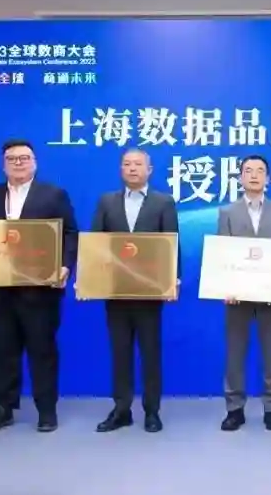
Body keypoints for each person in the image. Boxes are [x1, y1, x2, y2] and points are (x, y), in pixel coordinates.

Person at [0, 139, 78, 433]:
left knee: (42, 351)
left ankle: (46, 411)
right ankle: (3, 409)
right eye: (12, 159)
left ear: (35, 162)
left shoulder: (53, 195)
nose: (19, 163)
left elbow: (70, 233)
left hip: (39, 291)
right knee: (3, 352)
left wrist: (65, 265)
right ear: (3, 165)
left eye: (24, 158)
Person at [92, 148, 179, 434]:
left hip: (149, 292)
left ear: (149, 170)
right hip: (116, 290)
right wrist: (91, 278)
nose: (132, 169)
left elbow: (171, 243)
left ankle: (152, 411)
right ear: (121, 170)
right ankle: (121, 410)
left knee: (150, 353)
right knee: (120, 352)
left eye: (138, 164)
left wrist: (173, 280)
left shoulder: (163, 202)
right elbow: (96, 245)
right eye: (127, 164)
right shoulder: (107, 202)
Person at [217, 155, 271, 431]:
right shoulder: (227, 212)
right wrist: (226, 287)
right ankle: (234, 409)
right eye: (248, 171)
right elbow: (222, 252)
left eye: (260, 171)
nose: (254, 175)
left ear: (268, 178)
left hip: (270, 295)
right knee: (235, 353)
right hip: (236, 296)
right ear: (240, 177)